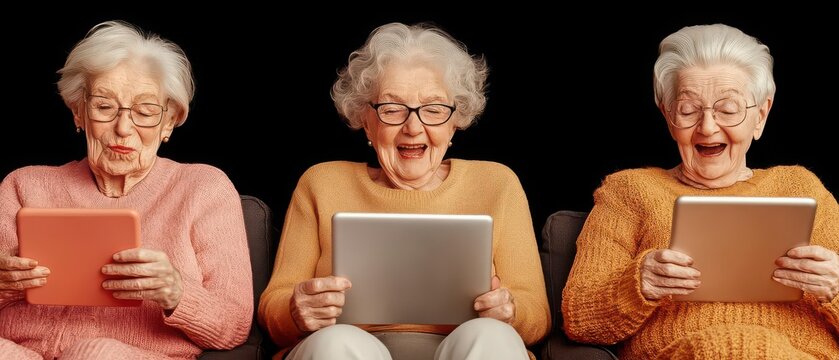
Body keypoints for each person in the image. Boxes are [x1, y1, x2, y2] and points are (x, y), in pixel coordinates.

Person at [258, 22, 550, 360]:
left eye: (434, 109)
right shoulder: (321, 182)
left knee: (491, 335)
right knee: (333, 343)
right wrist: (297, 311)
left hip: (467, 349)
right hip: (345, 349)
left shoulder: (498, 183)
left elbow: (537, 316)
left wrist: (511, 311)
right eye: (392, 109)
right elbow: (272, 311)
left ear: (456, 120)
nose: (413, 127)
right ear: (364, 119)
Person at [562, 23, 839, 359]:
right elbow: (578, 319)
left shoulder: (801, 188)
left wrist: (836, 288)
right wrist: (639, 285)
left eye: (728, 109)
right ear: (667, 115)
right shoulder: (628, 191)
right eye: (688, 110)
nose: (707, 127)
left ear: (761, 115)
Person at [0, 21, 252, 359]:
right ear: (78, 112)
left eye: (145, 112)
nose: (123, 128)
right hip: (21, 351)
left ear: (169, 121)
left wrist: (176, 292)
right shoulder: (23, 185)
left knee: (96, 354)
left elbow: (234, 327)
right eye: (104, 107)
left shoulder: (204, 189)